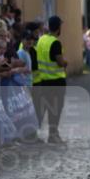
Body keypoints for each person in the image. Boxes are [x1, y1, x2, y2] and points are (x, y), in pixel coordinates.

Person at [35, 15, 68, 144]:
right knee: (56, 109)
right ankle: (53, 135)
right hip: (56, 81)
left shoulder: (42, 39)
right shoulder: (55, 42)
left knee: (46, 108)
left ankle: (42, 134)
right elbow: (59, 62)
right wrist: (66, 63)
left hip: (43, 80)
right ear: (58, 27)